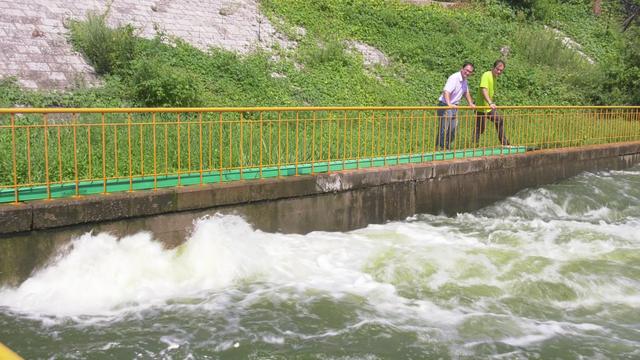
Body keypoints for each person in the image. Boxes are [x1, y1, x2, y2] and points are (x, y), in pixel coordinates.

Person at [436, 62, 476, 149]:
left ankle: (446, 146)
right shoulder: (454, 78)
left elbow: (466, 92)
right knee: (444, 129)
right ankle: (440, 149)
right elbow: (446, 91)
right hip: (445, 106)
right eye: (466, 70)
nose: (468, 73)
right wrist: (449, 104)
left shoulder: (464, 80)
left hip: (454, 107)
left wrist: (470, 103)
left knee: (453, 129)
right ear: (462, 69)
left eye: (470, 72)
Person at [474, 60, 510, 145]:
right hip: (481, 107)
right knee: (480, 128)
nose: (499, 71)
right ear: (493, 68)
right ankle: (474, 144)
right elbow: (484, 90)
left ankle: (504, 143)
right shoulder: (486, 75)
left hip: (488, 108)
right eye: (497, 69)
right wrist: (490, 102)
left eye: (501, 70)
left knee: (499, 120)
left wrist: (490, 103)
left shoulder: (494, 78)